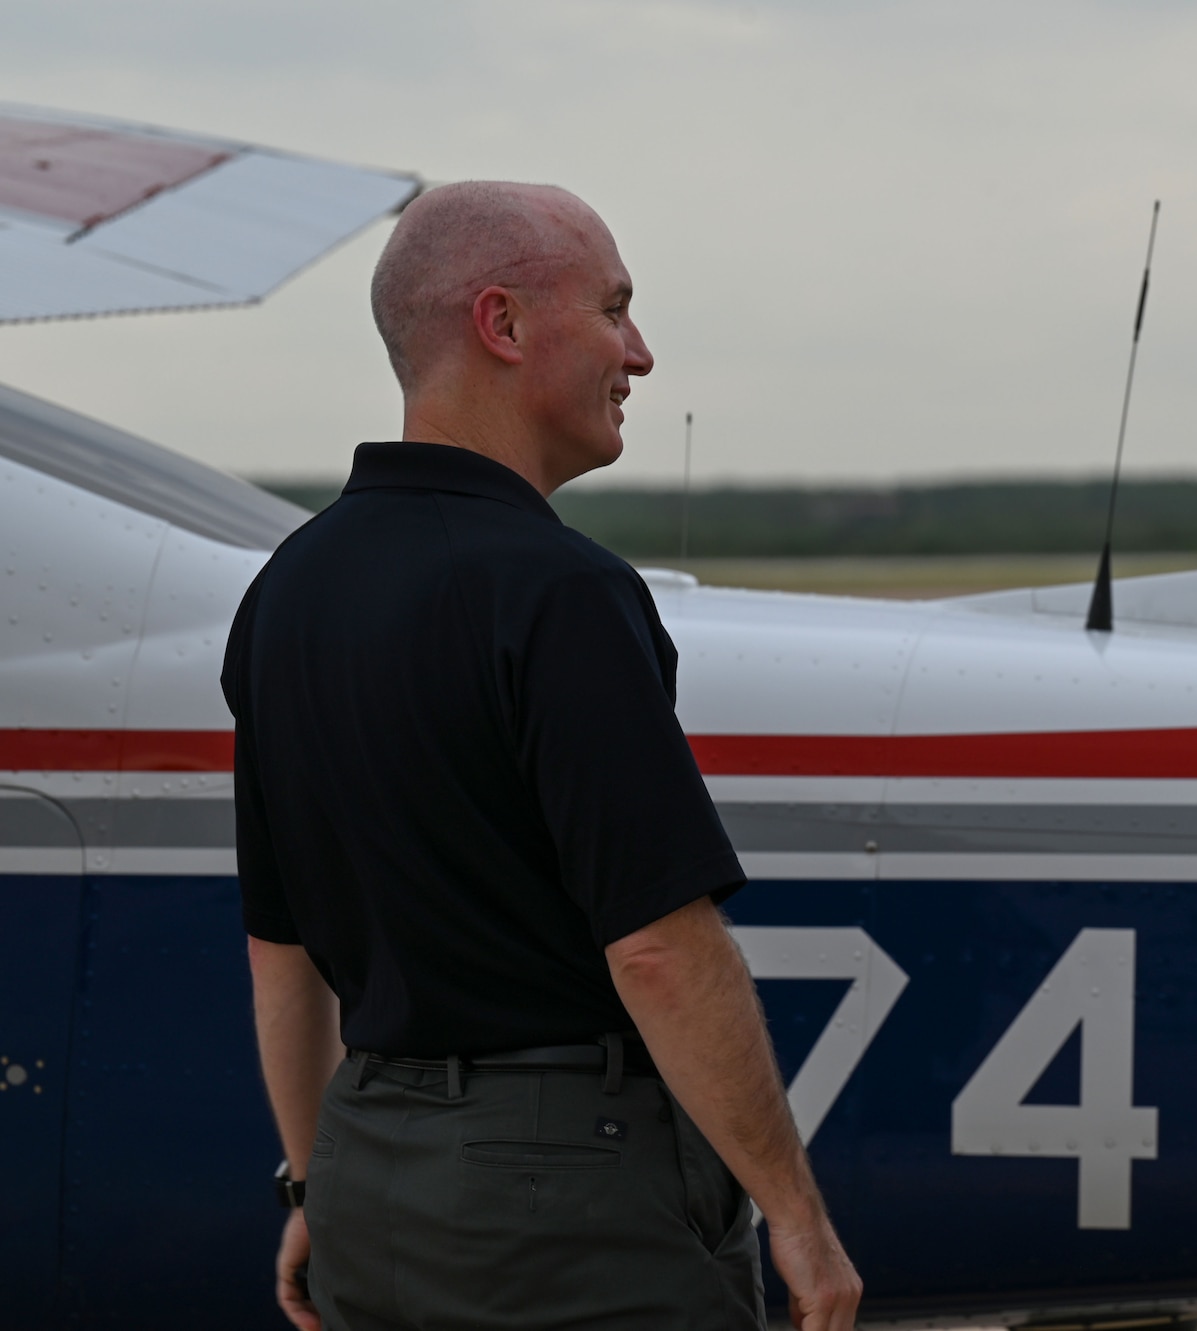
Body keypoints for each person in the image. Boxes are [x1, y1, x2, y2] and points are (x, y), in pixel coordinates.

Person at [223, 182, 862, 1331]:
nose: (643, 354)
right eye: (616, 309)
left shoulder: (284, 593)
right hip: (568, 1204)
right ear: (503, 325)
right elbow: (661, 949)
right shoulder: (562, 593)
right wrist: (799, 1219)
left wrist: (317, 1180)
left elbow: (284, 953)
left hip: (371, 1166)